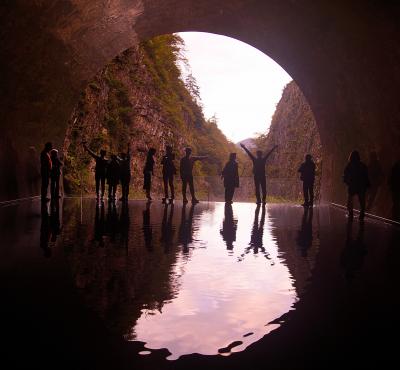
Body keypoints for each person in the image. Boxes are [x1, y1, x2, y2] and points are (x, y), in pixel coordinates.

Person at [343, 150, 370, 221]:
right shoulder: (363, 165)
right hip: (361, 185)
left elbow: (345, 175)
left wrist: (347, 181)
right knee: (361, 200)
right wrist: (367, 184)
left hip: (352, 185)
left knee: (350, 199)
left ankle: (351, 213)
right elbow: (366, 176)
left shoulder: (349, 165)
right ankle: (362, 214)